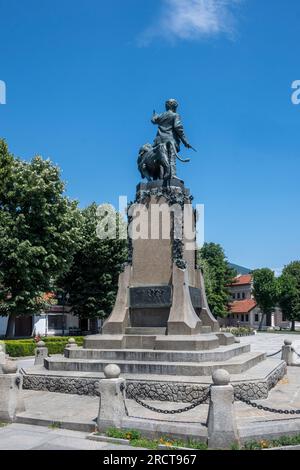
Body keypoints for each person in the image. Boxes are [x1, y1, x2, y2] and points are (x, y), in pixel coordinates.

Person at [151, 99, 192, 179]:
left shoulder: (161, 115)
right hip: (170, 140)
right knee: (171, 158)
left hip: (159, 141)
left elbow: (153, 121)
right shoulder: (175, 115)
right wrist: (185, 141)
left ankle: (161, 176)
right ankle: (172, 174)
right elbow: (178, 127)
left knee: (161, 159)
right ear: (174, 107)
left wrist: (154, 116)